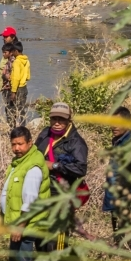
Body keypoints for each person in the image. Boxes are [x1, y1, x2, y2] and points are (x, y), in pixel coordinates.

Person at [35, 102, 90, 242]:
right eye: (54, 119)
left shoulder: (76, 142)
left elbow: (80, 169)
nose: (57, 123)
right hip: (42, 192)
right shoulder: (45, 134)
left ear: (69, 120)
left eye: (61, 119)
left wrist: (54, 165)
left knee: (58, 238)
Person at [1, 126, 50, 261]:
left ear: (30, 143)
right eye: (13, 144)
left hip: (25, 225)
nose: (16, 148)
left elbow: (30, 200)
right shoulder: (19, 162)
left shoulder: (32, 166)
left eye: (20, 144)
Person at [103, 106, 131, 238]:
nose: (114, 126)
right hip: (116, 200)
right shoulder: (118, 142)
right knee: (119, 238)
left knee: (128, 241)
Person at [7, 41, 30, 127]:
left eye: (13, 51)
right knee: (22, 109)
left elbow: (16, 78)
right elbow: (28, 76)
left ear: (16, 51)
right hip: (24, 87)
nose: (12, 54)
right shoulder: (26, 60)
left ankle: (13, 129)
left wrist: (13, 92)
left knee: (13, 109)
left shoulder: (17, 62)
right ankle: (23, 127)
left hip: (18, 89)